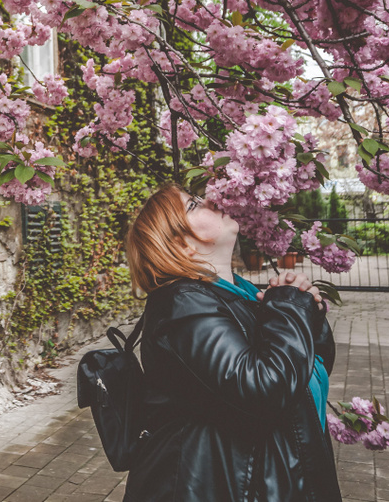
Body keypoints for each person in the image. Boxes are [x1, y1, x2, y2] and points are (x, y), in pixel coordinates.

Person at [122, 183, 341, 502]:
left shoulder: (239, 294)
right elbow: (265, 390)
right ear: (181, 244)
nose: (211, 200)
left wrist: (307, 310)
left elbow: (305, 372)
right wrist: (289, 309)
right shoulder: (183, 305)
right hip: (222, 485)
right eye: (194, 206)